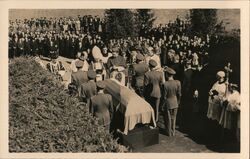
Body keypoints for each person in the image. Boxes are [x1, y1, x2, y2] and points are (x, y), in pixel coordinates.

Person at [162, 67, 181, 136]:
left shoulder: (165, 84)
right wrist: (178, 102)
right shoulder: (178, 82)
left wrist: (163, 105)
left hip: (168, 102)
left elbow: (164, 96)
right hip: (175, 101)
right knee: (174, 117)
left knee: (168, 118)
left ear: (167, 75)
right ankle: (173, 131)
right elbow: (179, 94)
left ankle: (169, 132)